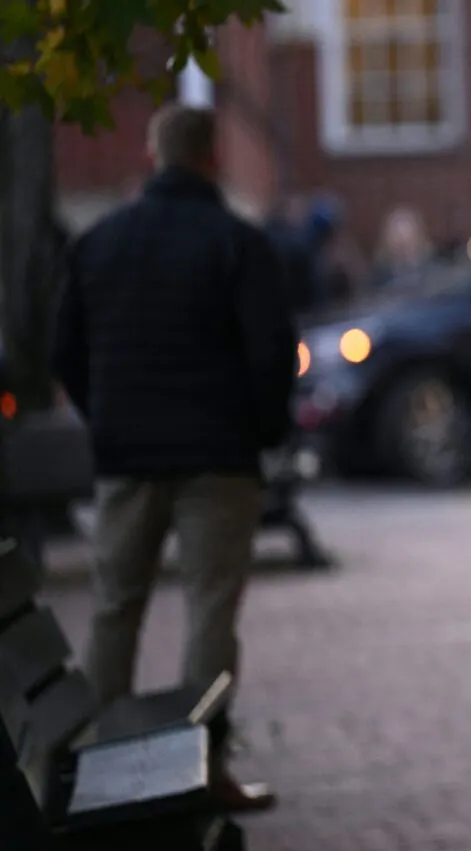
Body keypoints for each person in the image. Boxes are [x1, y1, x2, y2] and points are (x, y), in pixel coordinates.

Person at [52, 103, 297, 811]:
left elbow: (66, 350)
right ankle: (203, 768)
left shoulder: (98, 242)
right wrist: (260, 431)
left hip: (126, 454)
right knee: (210, 612)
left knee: (114, 608)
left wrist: (106, 418)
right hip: (218, 455)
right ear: (213, 157)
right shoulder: (237, 242)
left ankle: (97, 770)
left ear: (152, 155)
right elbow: (271, 352)